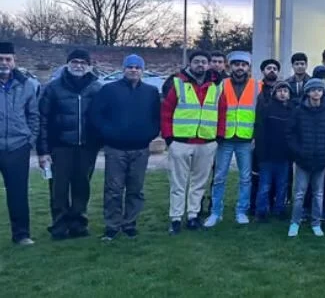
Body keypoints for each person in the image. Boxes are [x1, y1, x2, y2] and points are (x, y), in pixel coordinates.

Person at [91, 54, 160, 240]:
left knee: (135, 189)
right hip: (115, 148)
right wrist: (107, 133)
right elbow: (97, 115)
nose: (133, 70)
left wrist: (150, 134)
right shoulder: (109, 90)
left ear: (142, 70)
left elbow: (156, 117)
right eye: (130, 67)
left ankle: (130, 224)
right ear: (124, 69)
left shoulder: (151, 92)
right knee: (113, 189)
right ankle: (112, 226)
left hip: (140, 148)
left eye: (137, 67)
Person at [37, 49, 102, 240]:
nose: (78, 66)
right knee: (59, 188)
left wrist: (98, 142)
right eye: (75, 62)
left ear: (89, 66)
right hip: (60, 146)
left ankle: (78, 224)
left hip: (86, 146)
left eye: (83, 62)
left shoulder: (96, 88)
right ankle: (59, 225)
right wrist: (43, 150)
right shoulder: (53, 88)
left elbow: (103, 117)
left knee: (82, 186)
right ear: (67, 64)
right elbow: (42, 119)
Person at [161, 50, 226, 235]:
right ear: (190, 63)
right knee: (178, 183)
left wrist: (218, 136)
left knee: (199, 183)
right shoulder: (177, 82)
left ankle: (192, 215)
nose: (200, 65)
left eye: (203, 62)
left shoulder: (217, 85)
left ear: (208, 64)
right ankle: (175, 218)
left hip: (207, 141)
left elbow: (222, 111)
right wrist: (168, 138)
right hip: (180, 141)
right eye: (196, 61)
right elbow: (166, 111)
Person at [204, 51, 257, 228]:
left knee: (245, 178)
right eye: (236, 64)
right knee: (219, 177)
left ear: (248, 67)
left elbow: (260, 112)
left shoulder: (257, 86)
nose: (240, 68)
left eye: (243, 65)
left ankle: (241, 211)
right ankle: (215, 212)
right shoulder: (221, 84)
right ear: (230, 66)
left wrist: (256, 136)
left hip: (246, 138)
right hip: (225, 138)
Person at [0, 42, 39, 245]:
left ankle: (21, 234)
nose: (3, 63)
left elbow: (34, 115)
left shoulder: (27, 85)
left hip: (17, 147)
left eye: (8, 59)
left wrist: (29, 141)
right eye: (0, 59)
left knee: (18, 193)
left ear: (14, 61)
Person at [287, 78, 325, 238]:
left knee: (318, 193)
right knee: (299, 193)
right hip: (303, 159)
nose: (316, 93)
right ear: (307, 92)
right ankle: (295, 222)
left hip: (320, 159)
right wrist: (298, 152)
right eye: (313, 90)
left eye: (319, 90)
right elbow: (290, 134)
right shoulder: (298, 111)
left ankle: (316, 223)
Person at [254, 81, 294, 221]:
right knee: (265, 186)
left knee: (282, 185)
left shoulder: (292, 111)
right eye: (280, 91)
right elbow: (260, 132)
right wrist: (261, 153)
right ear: (274, 93)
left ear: (289, 94)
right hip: (267, 156)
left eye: (285, 91)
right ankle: (261, 211)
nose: (283, 94)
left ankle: (279, 209)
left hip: (284, 156)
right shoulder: (267, 109)